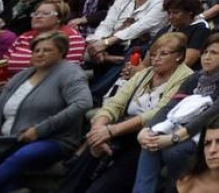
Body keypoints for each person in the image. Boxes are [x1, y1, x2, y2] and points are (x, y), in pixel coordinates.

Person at [0, 32, 92, 193]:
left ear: (62, 52)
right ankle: (11, 189)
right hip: (9, 140)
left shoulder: (70, 72)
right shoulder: (21, 75)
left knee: (24, 154)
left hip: (53, 139)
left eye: (47, 50)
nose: (40, 53)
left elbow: (83, 103)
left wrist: (39, 129)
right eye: (36, 50)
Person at [73, 32, 194, 193]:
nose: (156, 59)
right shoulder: (145, 73)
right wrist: (99, 129)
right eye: (153, 54)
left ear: (179, 56)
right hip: (122, 129)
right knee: (90, 151)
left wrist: (110, 131)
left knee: (104, 185)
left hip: (149, 136)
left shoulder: (187, 77)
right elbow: (116, 103)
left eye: (163, 54)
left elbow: (158, 113)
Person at [132, 32, 219, 193]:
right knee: (150, 143)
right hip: (180, 127)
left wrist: (174, 138)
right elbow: (169, 106)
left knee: (175, 152)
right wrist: (147, 129)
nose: (206, 57)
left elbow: (213, 113)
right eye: (204, 52)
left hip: (208, 131)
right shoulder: (195, 78)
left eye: (214, 53)